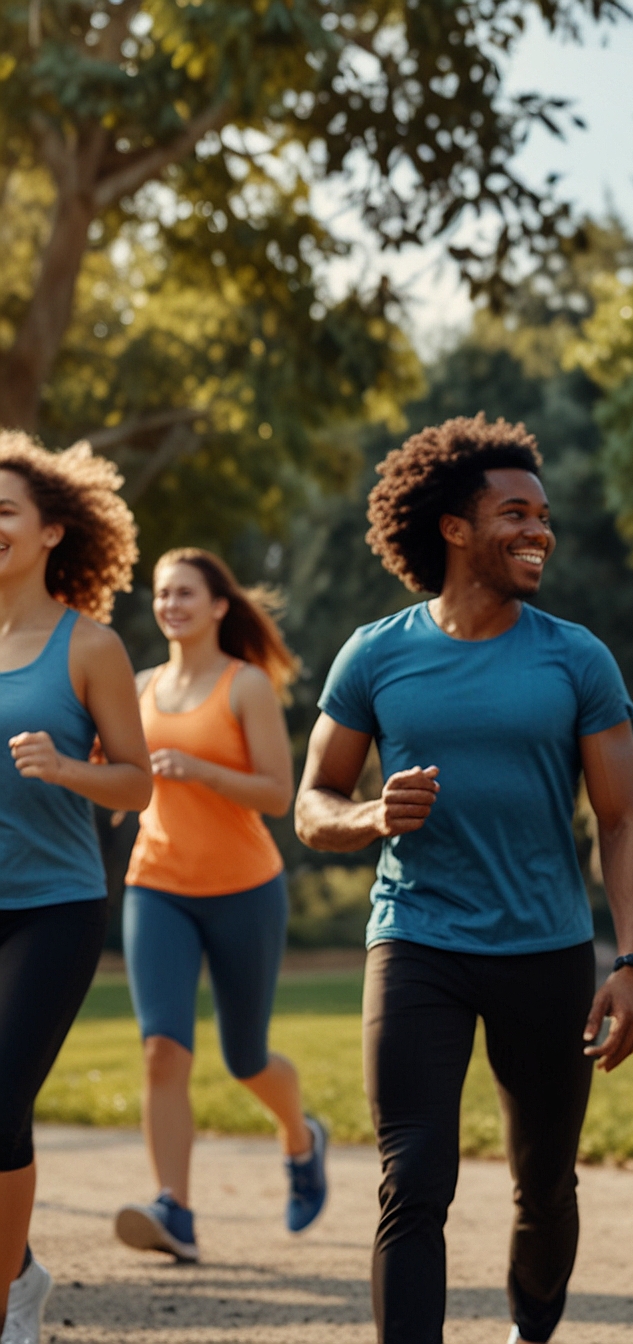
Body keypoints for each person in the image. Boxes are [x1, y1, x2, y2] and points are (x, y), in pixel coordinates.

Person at [293, 415, 633, 1344]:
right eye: (515, 513)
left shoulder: (575, 656)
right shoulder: (376, 654)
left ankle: (530, 1331)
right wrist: (374, 816)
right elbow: (313, 805)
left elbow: (621, 819)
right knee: (413, 1177)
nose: (539, 531)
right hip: (416, 939)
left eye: (544, 516)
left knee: (545, 1183)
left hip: (544, 949)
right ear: (453, 528)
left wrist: (632, 962)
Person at [112, 547, 325, 1262]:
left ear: (218, 606)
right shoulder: (138, 686)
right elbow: (119, 772)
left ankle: (301, 1136)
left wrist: (198, 769)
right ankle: (175, 1208)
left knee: (244, 1056)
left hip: (244, 890)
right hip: (157, 884)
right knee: (161, 1050)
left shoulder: (245, 686)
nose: (170, 604)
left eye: (185, 593)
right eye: (162, 594)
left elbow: (277, 794)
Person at [0, 436, 153, 1344]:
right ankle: (20, 1269)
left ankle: (7, 1304)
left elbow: (137, 783)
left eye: (4, 512)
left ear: (53, 531)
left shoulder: (87, 646)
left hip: (52, 906)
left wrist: (66, 767)